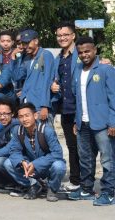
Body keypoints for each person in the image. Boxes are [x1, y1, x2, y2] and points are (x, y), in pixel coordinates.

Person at [69, 37, 115, 205]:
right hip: (83, 123)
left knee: (107, 159)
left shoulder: (105, 69)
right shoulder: (78, 69)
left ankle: (109, 192)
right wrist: (76, 120)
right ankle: (86, 189)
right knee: (86, 158)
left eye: (87, 51)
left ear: (95, 50)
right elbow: (78, 99)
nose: (84, 55)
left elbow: (113, 97)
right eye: (80, 52)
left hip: (103, 123)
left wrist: (113, 122)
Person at [4, 103, 66, 202]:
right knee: (8, 163)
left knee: (59, 166)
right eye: (20, 117)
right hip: (29, 168)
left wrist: (35, 164)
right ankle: (33, 184)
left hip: (46, 167)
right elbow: (14, 151)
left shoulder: (47, 130)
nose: (24, 119)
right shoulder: (18, 131)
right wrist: (22, 161)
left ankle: (52, 189)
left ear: (35, 115)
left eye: (27, 115)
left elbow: (57, 154)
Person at [50, 21, 81, 192]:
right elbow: (55, 80)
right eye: (59, 35)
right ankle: (76, 181)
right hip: (66, 109)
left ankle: (87, 182)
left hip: (82, 109)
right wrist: (53, 86)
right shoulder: (58, 58)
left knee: (87, 147)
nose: (62, 38)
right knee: (72, 146)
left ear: (73, 35)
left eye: (65, 35)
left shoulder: (81, 54)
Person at [13, 29, 55, 122]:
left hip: (40, 105)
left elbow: (47, 81)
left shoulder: (45, 55)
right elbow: (17, 76)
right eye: (23, 43)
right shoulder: (27, 58)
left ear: (36, 41)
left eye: (27, 43)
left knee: (44, 134)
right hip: (28, 104)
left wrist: (44, 105)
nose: (25, 46)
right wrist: (17, 57)